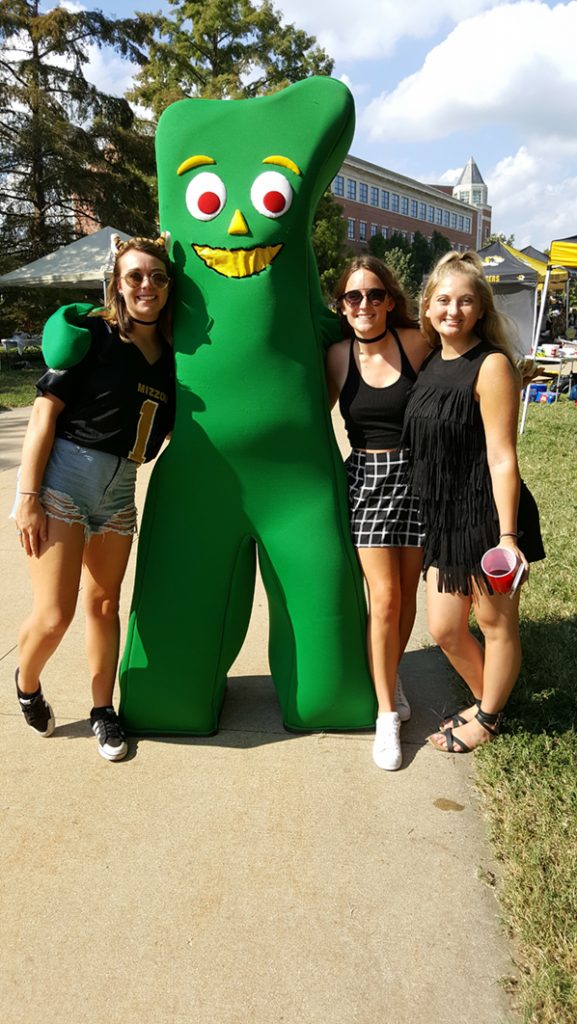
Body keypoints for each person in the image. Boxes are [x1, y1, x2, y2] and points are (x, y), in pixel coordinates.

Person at [12, 234, 175, 761]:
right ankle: (26, 683)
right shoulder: (95, 336)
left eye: (157, 276)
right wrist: (27, 495)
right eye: (135, 276)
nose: (147, 285)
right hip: (64, 479)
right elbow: (44, 413)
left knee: (105, 603)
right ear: (117, 285)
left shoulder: (174, 357)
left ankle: (103, 710)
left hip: (121, 489)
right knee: (54, 614)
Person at [402, 250, 545, 754]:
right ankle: (491, 701)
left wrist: (507, 537)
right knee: (444, 628)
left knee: (494, 622)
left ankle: (486, 717)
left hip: (487, 513)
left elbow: (503, 457)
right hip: (444, 517)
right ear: (427, 306)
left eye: (465, 301)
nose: (453, 310)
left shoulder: (492, 366)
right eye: (443, 300)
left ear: (481, 308)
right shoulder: (428, 361)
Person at [325, 256, 431, 770]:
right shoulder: (336, 357)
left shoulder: (416, 344)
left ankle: (391, 672)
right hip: (366, 481)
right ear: (342, 307)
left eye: (373, 294)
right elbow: (307, 415)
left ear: (390, 300)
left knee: (406, 597)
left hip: (418, 479)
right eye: (353, 296)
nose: (364, 304)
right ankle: (386, 714)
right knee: (384, 597)